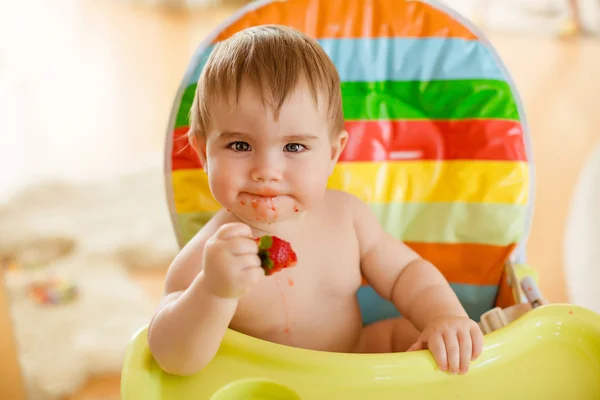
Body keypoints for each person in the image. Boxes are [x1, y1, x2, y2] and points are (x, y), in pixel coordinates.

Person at [147, 24, 484, 377]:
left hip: (355, 357)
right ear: (203, 152)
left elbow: (405, 274)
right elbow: (173, 359)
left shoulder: (347, 217)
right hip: (270, 384)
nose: (267, 170)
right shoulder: (208, 259)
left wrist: (445, 317)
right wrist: (213, 292)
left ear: (333, 153)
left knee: (423, 343)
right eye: (240, 145)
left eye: (294, 147)